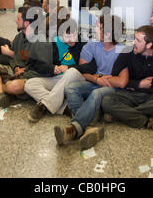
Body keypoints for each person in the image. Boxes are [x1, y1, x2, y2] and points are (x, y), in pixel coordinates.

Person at [53, 15, 127, 150]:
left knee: (97, 93)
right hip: (96, 81)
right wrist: (97, 78)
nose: (94, 29)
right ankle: (87, 127)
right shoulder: (92, 45)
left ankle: (73, 129)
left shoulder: (123, 50)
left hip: (113, 87)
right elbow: (84, 70)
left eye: (99, 28)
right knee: (71, 88)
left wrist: (107, 79)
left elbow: (122, 82)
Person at [101, 25, 153, 135]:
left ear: (149, 45)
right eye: (134, 38)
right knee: (107, 101)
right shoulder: (126, 52)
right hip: (129, 93)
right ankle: (149, 122)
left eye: (138, 40)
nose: (133, 43)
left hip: (152, 96)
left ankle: (123, 115)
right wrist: (138, 84)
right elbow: (114, 78)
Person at [0, 6, 53, 108]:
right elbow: (13, 57)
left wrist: (25, 72)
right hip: (16, 72)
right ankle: (2, 94)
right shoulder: (19, 37)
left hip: (32, 77)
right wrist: (15, 67)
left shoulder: (42, 42)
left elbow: (45, 70)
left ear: (27, 23)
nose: (15, 20)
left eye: (18, 19)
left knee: (13, 86)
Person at [25, 19, 86, 122]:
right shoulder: (52, 42)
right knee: (29, 84)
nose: (72, 39)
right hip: (57, 78)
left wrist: (69, 67)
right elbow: (35, 64)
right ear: (60, 35)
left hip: (76, 77)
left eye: (74, 35)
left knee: (71, 72)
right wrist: (52, 68)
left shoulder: (84, 44)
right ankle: (64, 107)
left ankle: (44, 105)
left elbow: (90, 67)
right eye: (67, 37)